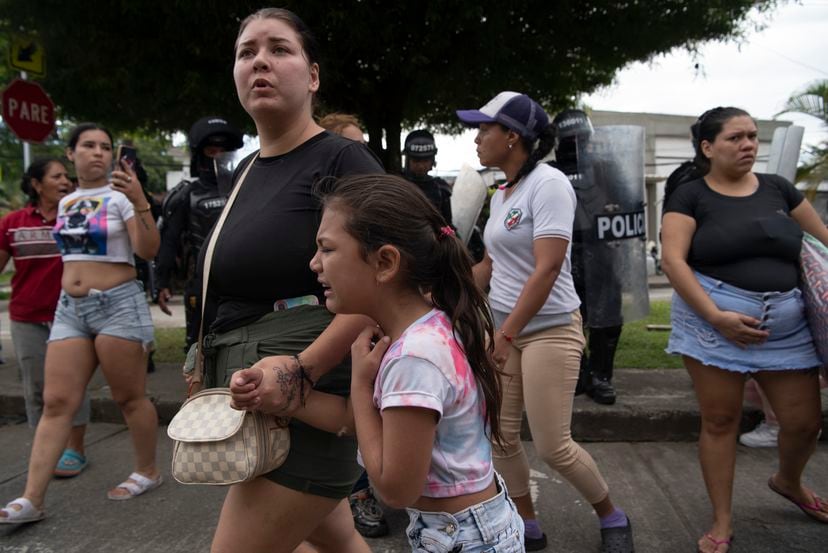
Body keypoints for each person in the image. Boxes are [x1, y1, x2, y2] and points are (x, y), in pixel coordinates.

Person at [197, 9, 383, 553]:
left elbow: (385, 285)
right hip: (249, 398)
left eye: (280, 49)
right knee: (334, 543)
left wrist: (304, 370)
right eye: (246, 51)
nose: (260, 61)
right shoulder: (247, 168)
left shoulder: (344, 160)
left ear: (313, 75)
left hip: (300, 404)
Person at [286, 173, 523, 552]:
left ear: (385, 262)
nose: (314, 263)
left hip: (460, 539)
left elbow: (395, 490)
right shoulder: (438, 323)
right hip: (475, 527)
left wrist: (361, 386)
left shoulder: (414, 357)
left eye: (327, 250)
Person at [457, 91, 635, 553]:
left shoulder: (550, 183)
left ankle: (612, 516)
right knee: (501, 436)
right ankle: (527, 525)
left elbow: (548, 267)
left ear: (512, 136)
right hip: (506, 329)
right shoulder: (502, 195)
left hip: (548, 329)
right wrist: (448, 296)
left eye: (485, 129)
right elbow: (491, 266)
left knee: (554, 445)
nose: (477, 138)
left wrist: (506, 333)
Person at [661, 106, 828, 553]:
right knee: (720, 420)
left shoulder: (778, 189)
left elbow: (823, 239)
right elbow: (673, 261)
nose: (749, 144)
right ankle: (722, 520)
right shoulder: (690, 196)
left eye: (753, 136)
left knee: (804, 422)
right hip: (711, 326)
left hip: (788, 330)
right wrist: (716, 315)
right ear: (708, 147)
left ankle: (788, 481)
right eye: (736, 137)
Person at [0, 123, 162, 524]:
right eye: (87, 146)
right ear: (71, 154)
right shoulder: (68, 200)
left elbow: (147, 249)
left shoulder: (120, 198)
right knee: (56, 402)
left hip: (118, 305)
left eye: (105, 146)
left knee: (129, 398)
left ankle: (147, 470)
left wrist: (140, 199)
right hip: (69, 309)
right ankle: (31, 499)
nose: (97, 152)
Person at [319, 112, 390, 538]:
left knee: (364, 406)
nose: (358, 158)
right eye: (350, 147)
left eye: (362, 147)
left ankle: (367, 486)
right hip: (323, 323)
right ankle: (354, 490)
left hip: (361, 322)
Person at [0, 158, 91, 478]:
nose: (65, 181)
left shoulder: (79, 216)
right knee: (37, 387)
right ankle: (45, 448)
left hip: (72, 316)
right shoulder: (12, 223)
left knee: (71, 387)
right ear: (37, 184)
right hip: (26, 317)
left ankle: (76, 449)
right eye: (56, 177)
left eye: (67, 176)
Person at [155, 116, 244, 349]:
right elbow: (170, 239)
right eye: (211, 150)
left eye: (223, 150)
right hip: (202, 285)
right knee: (199, 351)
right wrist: (161, 281)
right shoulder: (186, 194)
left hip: (245, 281)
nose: (216, 156)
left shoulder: (248, 186)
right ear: (199, 153)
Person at [402, 129, 453, 226]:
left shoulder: (441, 189)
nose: (421, 166)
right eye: (416, 161)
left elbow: (447, 225)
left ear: (432, 160)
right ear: (408, 160)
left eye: (425, 160)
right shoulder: (396, 185)